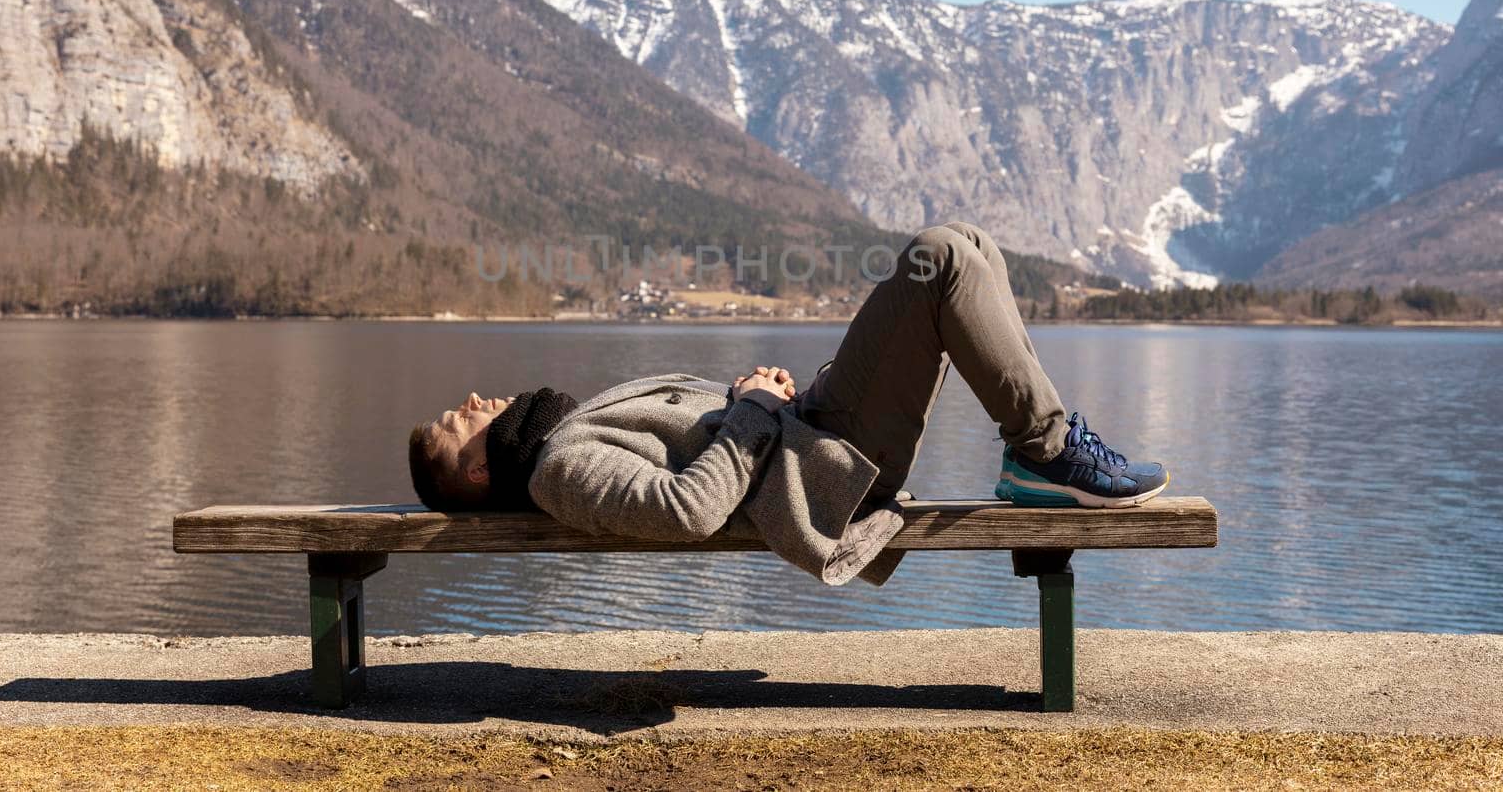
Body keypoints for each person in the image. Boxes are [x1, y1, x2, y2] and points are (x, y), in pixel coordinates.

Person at [408, 222, 1168, 586]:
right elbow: (686, 510)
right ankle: (1046, 447)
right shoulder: (559, 469)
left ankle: (1040, 453)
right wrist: (750, 411)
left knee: (971, 246)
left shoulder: (565, 434)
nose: (472, 400)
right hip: (821, 467)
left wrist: (759, 400)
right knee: (939, 259)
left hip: (806, 425)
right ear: (475, 472)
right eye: (457, 420)